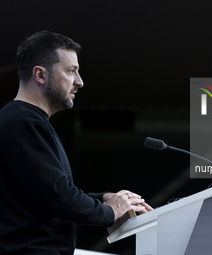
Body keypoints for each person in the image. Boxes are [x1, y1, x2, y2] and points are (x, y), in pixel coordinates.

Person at [0, 31, 153, 255]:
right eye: (71, 71)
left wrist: (104, 200)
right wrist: (110, 211)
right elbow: (57, 197)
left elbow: (47, 197)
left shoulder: (24, 121)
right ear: (40, 75)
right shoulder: (24, 123)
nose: (79, 82)